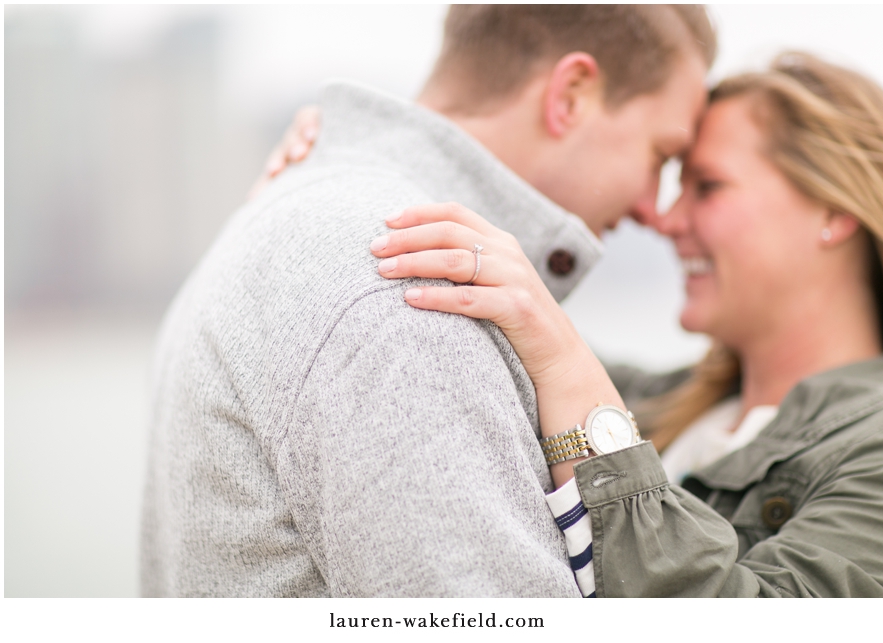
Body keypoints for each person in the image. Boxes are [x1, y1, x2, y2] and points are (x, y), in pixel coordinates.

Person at [140, 5, 716, 596]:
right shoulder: (414, 286)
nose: (655, 207)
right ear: (569, 95)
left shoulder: (312, 223)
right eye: (662, 156)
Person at [361, 52, 883, 597]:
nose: (667, 220)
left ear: (833, 210)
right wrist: (351, 166)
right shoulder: (660, 401)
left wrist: (566, 366)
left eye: (707, 187)